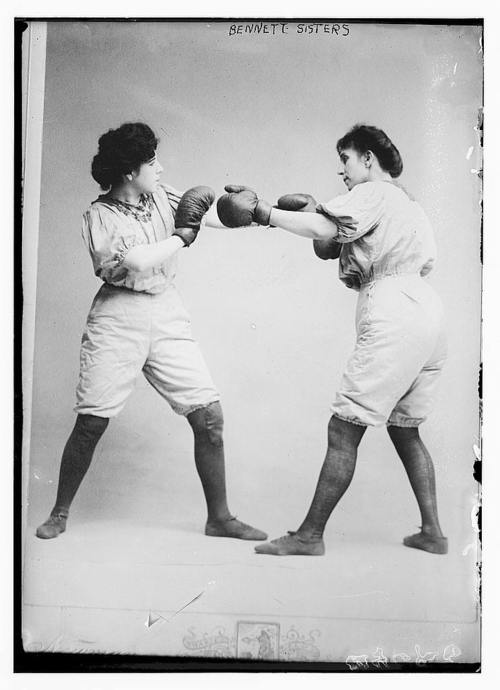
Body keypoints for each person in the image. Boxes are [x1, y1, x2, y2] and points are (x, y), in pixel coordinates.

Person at [216, 124, 448, 556]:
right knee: (405, 430)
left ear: (368, 158)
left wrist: (264, 212)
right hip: (428, 313)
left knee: (343, 429)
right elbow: (329, 244)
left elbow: (323, 227)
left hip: (394, 308)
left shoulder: (373, 192)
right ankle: (433, 532)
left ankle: (309, 535)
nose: (342, 170)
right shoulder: (408, 203)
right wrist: (307, 212)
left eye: (346, 159)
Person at [36, 122, 267, 542]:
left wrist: (252, 212)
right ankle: (60, 511)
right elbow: (139, 260)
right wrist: (182, 237)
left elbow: (207, 217)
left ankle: (219, 518)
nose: (160, 168)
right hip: (117, 316)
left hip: (165, 308)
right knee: (92, 421)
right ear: (129, 171)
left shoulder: (161, 195)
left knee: (209, 416)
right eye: (152, 161)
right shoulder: (99, 216)